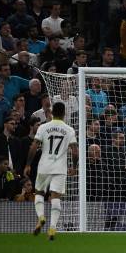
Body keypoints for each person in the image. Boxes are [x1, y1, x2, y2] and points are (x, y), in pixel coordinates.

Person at [24, 102, 78, 241]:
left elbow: (34, 146)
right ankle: (52, 228)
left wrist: (28, 164)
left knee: (39, 193)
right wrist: (75, 166)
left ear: (52, 113)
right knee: (55, 197)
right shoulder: (69, 129)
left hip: (44, 166)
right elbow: (75, 151)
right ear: (64, 113)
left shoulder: (43, 127)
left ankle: (41, 217)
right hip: (60, 168)